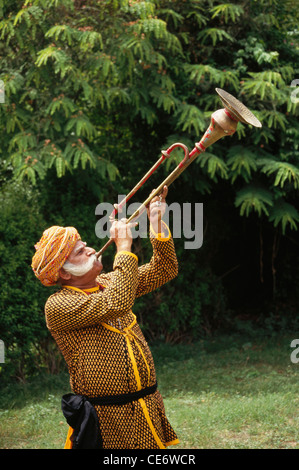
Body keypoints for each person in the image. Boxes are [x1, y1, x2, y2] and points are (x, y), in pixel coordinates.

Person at [31, 186, 179, 449]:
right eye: (80, 252)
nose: (90, 250)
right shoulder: (59, 305)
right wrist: (124, 246)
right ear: (64, 274)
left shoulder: (110, 282)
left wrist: (156, 222)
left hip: (146, 407)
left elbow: (164, 269)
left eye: (85, 245)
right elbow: (117, 303)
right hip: (107, 421)